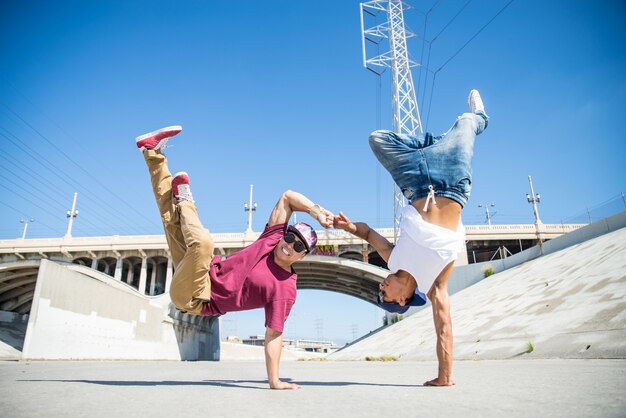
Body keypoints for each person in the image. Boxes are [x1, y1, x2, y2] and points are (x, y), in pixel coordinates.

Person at [136, 125, 334, 390]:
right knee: (170, 219)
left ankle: (185, 200)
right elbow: (287, 196)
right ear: (283, 234)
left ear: (302, 256)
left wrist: (274, 380)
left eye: (298, 247)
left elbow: (274, 335)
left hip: (196, 298)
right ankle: (152, 153)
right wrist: (316, 211)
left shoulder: (285, 289)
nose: (289, 246)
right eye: (290, 237)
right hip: (200, 269)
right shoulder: (271, 239)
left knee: (204, 242)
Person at [334, 89, 489, 387]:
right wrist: (445, 377)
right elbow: (444, 326)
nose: (382, 287)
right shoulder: (435, 285)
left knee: (377, 139)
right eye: (385, 295)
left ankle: (429, 146)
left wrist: (348, 226)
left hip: (415, 182)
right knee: (467, 124)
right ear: (403, 299)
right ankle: (472, 123)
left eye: (381, 292)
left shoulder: (393, 259)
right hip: (453, 180)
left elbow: (366, 233)